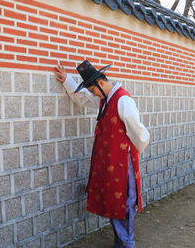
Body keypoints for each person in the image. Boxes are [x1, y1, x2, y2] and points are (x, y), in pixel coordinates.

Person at [54, 60, 150, 248]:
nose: (93, 94)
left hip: (122, 161)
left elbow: (138, 132)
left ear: (101, 83)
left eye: (93, 90)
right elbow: (82, 97)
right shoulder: (105, 98)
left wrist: (133, 152)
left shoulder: (123, 100)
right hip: (108, 160)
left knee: (125, 201)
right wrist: (67, 80)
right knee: (112, 200)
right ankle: (121, 241)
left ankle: (126, 243)